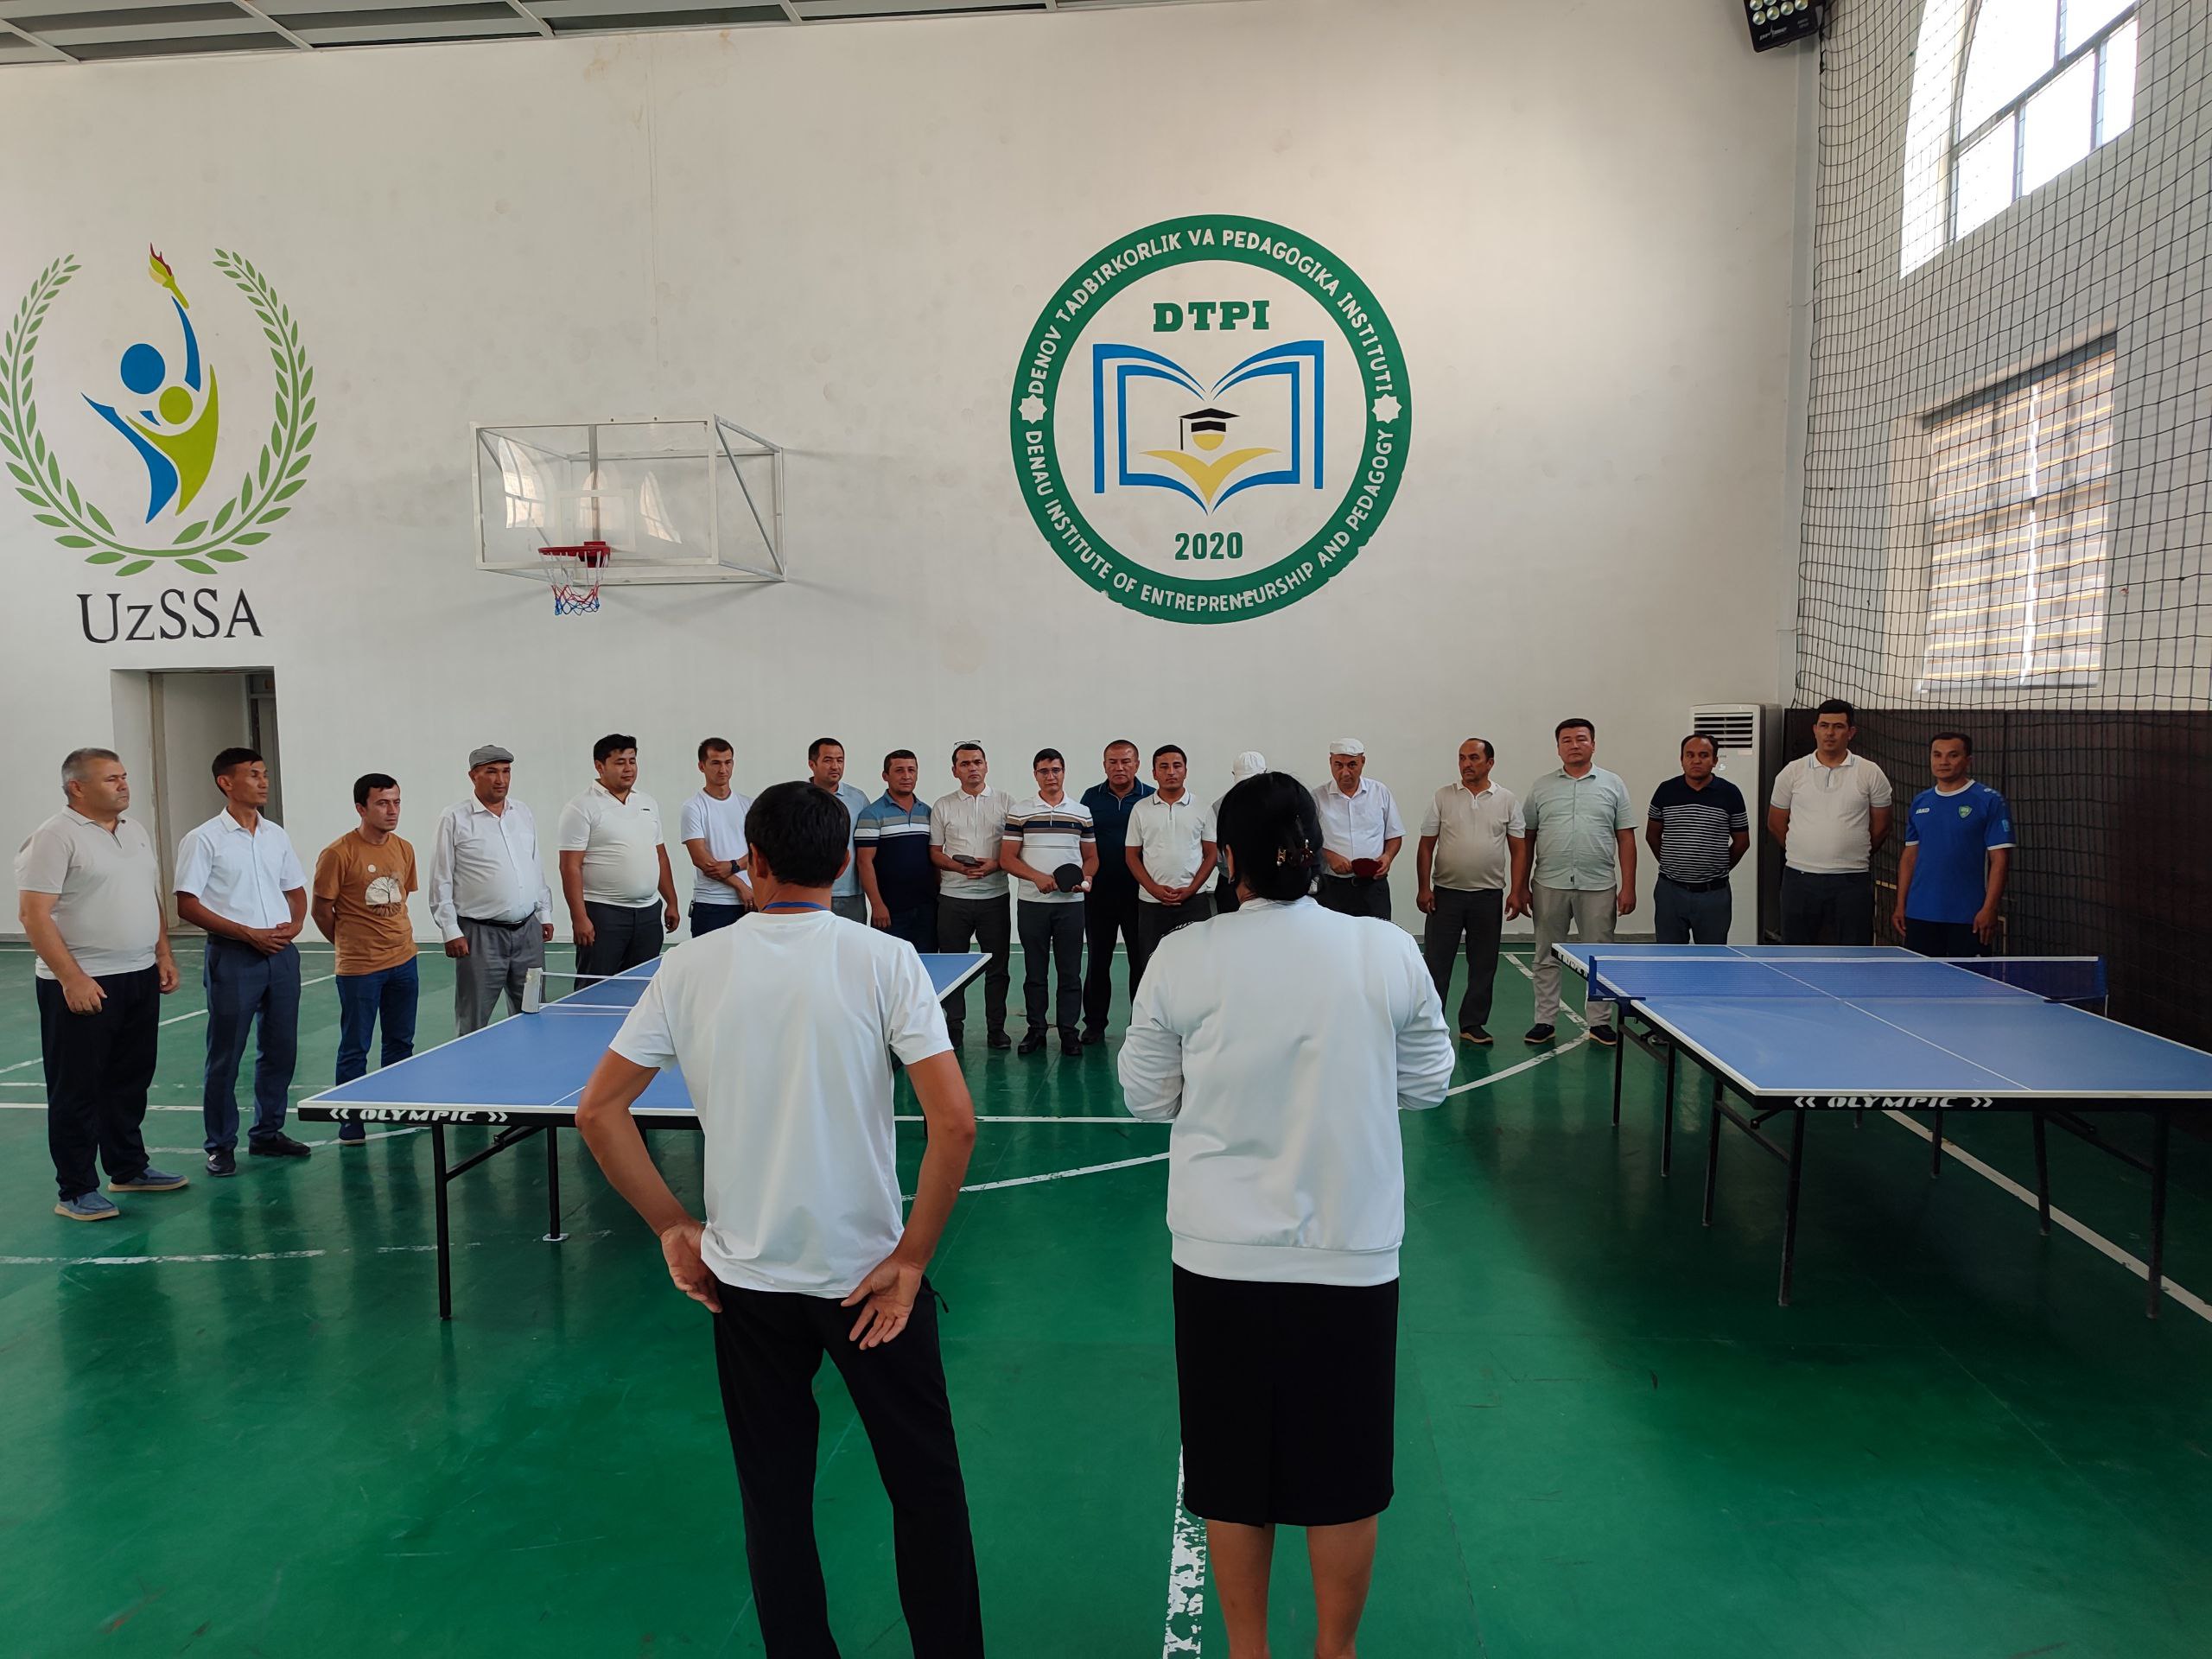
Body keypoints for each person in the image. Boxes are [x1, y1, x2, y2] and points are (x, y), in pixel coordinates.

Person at [576, 781, 985, 1658]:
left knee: (776, 1503)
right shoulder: (884, 960)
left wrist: (672, 1226)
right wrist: (914, 1260)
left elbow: (599, 1112)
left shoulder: (688, 967)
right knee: (926, 1494)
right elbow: (954, 1124)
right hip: (870, 1281)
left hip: (747, 1285)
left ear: (753, 862)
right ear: (841, 864)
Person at [1118, 772, 1453, 1659]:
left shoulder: (1183, 956)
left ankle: (1248, 1651)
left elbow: (1146, 1095)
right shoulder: (1386, 950)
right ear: (1316, 853)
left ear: (1227, 859)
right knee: (1344, 1475)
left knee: (1233, 1474)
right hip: (1352, 1250)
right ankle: (1335, 1652)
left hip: (1219, 1257)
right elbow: (1428, 1081)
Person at [16, 748, 185, 1220]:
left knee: (129, 1080)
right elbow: (33, 914)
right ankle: (75, 1189)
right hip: (84, 982)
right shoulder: (55, 837)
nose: (124, 784)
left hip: (139, 975)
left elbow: (148, 894)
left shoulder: (134, 831)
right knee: (77, 1088)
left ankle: (128, 1168)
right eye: (112, 779)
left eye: (124, 776)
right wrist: (72, 979)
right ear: (77, 787)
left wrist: (162, 953)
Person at [175, 746, 312, 1174]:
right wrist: (247, 933)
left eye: (264, 773)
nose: (263, 781)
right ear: (226, 783)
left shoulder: (276, 836)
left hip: (281, 955)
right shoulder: (203, 839)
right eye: (253, 774)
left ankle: (268, 1132)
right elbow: (187, 904)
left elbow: (295, 889)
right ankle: (220, 1144)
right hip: (234, 956)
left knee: (281, 1049)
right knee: (226, 1054)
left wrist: (295, 924)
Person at [1512, 718, 1637, 1048]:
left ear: (1593, 744)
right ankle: (1545, 1021)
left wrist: (1629, 886)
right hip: (1549, 884)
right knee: (1545, 956)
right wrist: (1520, 886)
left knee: (1599, 958)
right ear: (1558, 748)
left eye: (1581, 739)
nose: (1574, 745)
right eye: (1566, 740)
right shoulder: (1541, 787)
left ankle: (1599, 1022)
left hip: (1598, 886)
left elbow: (1626, 838)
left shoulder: (1613, 784)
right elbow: (1527, 838)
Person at [312, 773, 420, 1146]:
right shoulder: (338, 853)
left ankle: (397, 1106)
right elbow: (321, 910)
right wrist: (348, 943)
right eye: (382, 803)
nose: (392, 810)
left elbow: (401, 898)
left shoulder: (404, 848)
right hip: (360, 969)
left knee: (400, 1043)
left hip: (404, 960)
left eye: (396, 802)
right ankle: (351, 1118)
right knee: (356, 1046)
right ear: (361, 808)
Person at [427, 743, 553, 1036]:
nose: (501, 780)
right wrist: (450, 930)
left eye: (506, 772)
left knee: (535, 1011)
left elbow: (535, 866)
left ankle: (533, 1060)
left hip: (528, 932)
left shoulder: (522, 812)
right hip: (479, 936)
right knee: (474, 1018)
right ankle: (470, 1065)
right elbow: (440, 878)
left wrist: (544, 913)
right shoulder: (454, 818)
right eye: (492, 772)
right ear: (473, 776)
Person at [1414, 738, 1525, 1046]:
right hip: (1445, 895)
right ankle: (1431, 1024)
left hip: (1488, 896)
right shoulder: (1443, 796)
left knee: (1484, 964)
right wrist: (1424, 888)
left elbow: (1519, 849)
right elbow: (1426, 846)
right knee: (1436, 963)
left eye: (1474, 758)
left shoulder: (1507, 800)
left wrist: (1517, 891)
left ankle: (1472, 1024)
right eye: (1462, 758)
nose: (1466, 764)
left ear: (1490, 763)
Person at [1768, 698, 1892, 946]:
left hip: (1852, 881)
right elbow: (1775, 823)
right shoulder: (1792, 772)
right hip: (1799, 879)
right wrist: (1803, 851)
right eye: (1824, 726)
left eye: (1838, 726)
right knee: (1796, 955)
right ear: (1815, 729)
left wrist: (1851, 852)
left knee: (1854, 955)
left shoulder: (1870, 772)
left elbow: (1882, 827)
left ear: (1851, 732)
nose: (1830, 733)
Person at [559, 733, 679, 982]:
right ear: (599, 766)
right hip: (604, 914)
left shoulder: (647, 803)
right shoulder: (581, 807)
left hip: (648, 913)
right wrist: (579, 918)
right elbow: (570, 866)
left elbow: (660, 856)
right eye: (620, 762)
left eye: (632, 761)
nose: (628, 768)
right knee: (594, 988)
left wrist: (672, 901)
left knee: (641, 987)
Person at [1001, 748, 1097, 1057]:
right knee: (1035, 972)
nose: (1050, 776)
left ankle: (1069, 1031)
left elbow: (1091, 857)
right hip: (1032, 905)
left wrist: (1086, 878)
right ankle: (1036, 1030)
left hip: (1071, 905)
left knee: (1070, 972)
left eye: (1055, 770)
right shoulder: (1020, 812)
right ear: (1035, 775)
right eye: (1044, 771)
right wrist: (1036, 877)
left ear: (1063, 772)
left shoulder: (1081, 812)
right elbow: (1007, 858)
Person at [1892, 732, 2014, 957]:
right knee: (1920, 978)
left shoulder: (1989, 800)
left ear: (1968, 761)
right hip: (1920, 914)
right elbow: (1910, 856)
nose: (1944, 761)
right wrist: (1901, 904)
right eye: (1937, 755)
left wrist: (1989, 908)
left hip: (1969, 916)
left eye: (1953, 755)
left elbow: (2000, 860)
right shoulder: (1920, 801)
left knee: (1969, 980)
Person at [929, 742, 1013, 1049]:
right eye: (965, 764)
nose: (972, 768)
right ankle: (954, 1028)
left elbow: (1015, 849)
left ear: (986, 766)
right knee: (953, 966)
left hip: (995, 897)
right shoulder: (943, 806)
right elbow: (935, 853)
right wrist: (958, 867)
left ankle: (996, 1029)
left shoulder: (1006, 802)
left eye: (977, 762)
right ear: (955, 771)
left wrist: (995, 865)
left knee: (998, 968)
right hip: (953, 898)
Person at [1078, 740, 1154, 1045]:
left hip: (1140, 895)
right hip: (1099, 895)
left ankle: (1141, 1026)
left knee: (1141, 962)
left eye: (1125, 761)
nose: (1119, 767)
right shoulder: (1090, 798)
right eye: (1113, 762)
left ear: (1137, 764)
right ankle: (1095, 1024)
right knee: (1098, 961)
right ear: (1104, 765)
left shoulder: (1150, 797)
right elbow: (1082, 842)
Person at [1646, 734, 1750, 944]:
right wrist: (1673, 864)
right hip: (1670, 892)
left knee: (1712, 958)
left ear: (1715, 760)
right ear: (1681, 759)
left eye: (1704, 755)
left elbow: (1742, 842)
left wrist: (1718, 867)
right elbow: (1652, 835)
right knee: (1670, 957)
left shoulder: (1730, 793)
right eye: (1690, 755)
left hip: (1714, 895)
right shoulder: (1666, 791)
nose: (1696, 760)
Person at [1127, 745, 1218, 982]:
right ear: (1154, 773)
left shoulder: (1202, 807)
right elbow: (1131, 856)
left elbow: (1211, 854)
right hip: (1151, 904)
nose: (1171, 772)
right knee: (1152, 969)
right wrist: (1153, 889)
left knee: (1196, 967)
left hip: (1194, 901)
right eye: (1164, 767)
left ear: (1185, 771)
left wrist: (1191, 889)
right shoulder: (1140, 809)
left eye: (1177, 766)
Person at [1313, 740, 1405, 920]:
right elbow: (1308, 840)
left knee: (1378, 934)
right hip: (1333, 887)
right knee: (1334, 936)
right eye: (1338, 765)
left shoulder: (1380, 792)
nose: (1345, 772)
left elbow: (1394, 835)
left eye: (1352, 765)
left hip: (1373, 887)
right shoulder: (1317, 797)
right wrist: (1329, 856)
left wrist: (1388, 857)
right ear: (1330, 762)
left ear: (1363, 761)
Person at [855, 749, 937, 950]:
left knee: (926, 964)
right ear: (885, 776)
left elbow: (934, 858)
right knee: (889, 965)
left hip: (927, 909)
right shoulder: (872, 814)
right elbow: (864, 862)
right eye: (899, 770)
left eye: (911, 770)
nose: (906, 776)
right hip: (890, 911)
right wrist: (877, 905)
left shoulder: (928, 812)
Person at [681, 738, 753, 938]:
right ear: (701, 766)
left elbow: (759, 850)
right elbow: (702, 860)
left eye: (728, 762)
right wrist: (741, 886)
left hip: (749, 903)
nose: (723, 769)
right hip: (712, 904)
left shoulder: (749, 805)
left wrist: (734, 866)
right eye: (716, 763)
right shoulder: (693, 807)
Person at [808, 737, 874, 925]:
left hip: (850, 892)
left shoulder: (858, 799)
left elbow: (867, 846)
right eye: (828, 760)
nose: (835, 766)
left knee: (853, 942)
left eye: (840, 760)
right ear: (812, 764)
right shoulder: (799, 798)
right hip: (809, 891)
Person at [1211, 751, 1267, 915]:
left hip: (1269, 883)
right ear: (1233, 775)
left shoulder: (1278, 802)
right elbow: (1216, 852)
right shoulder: (1220, 807)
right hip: (1232, 884)